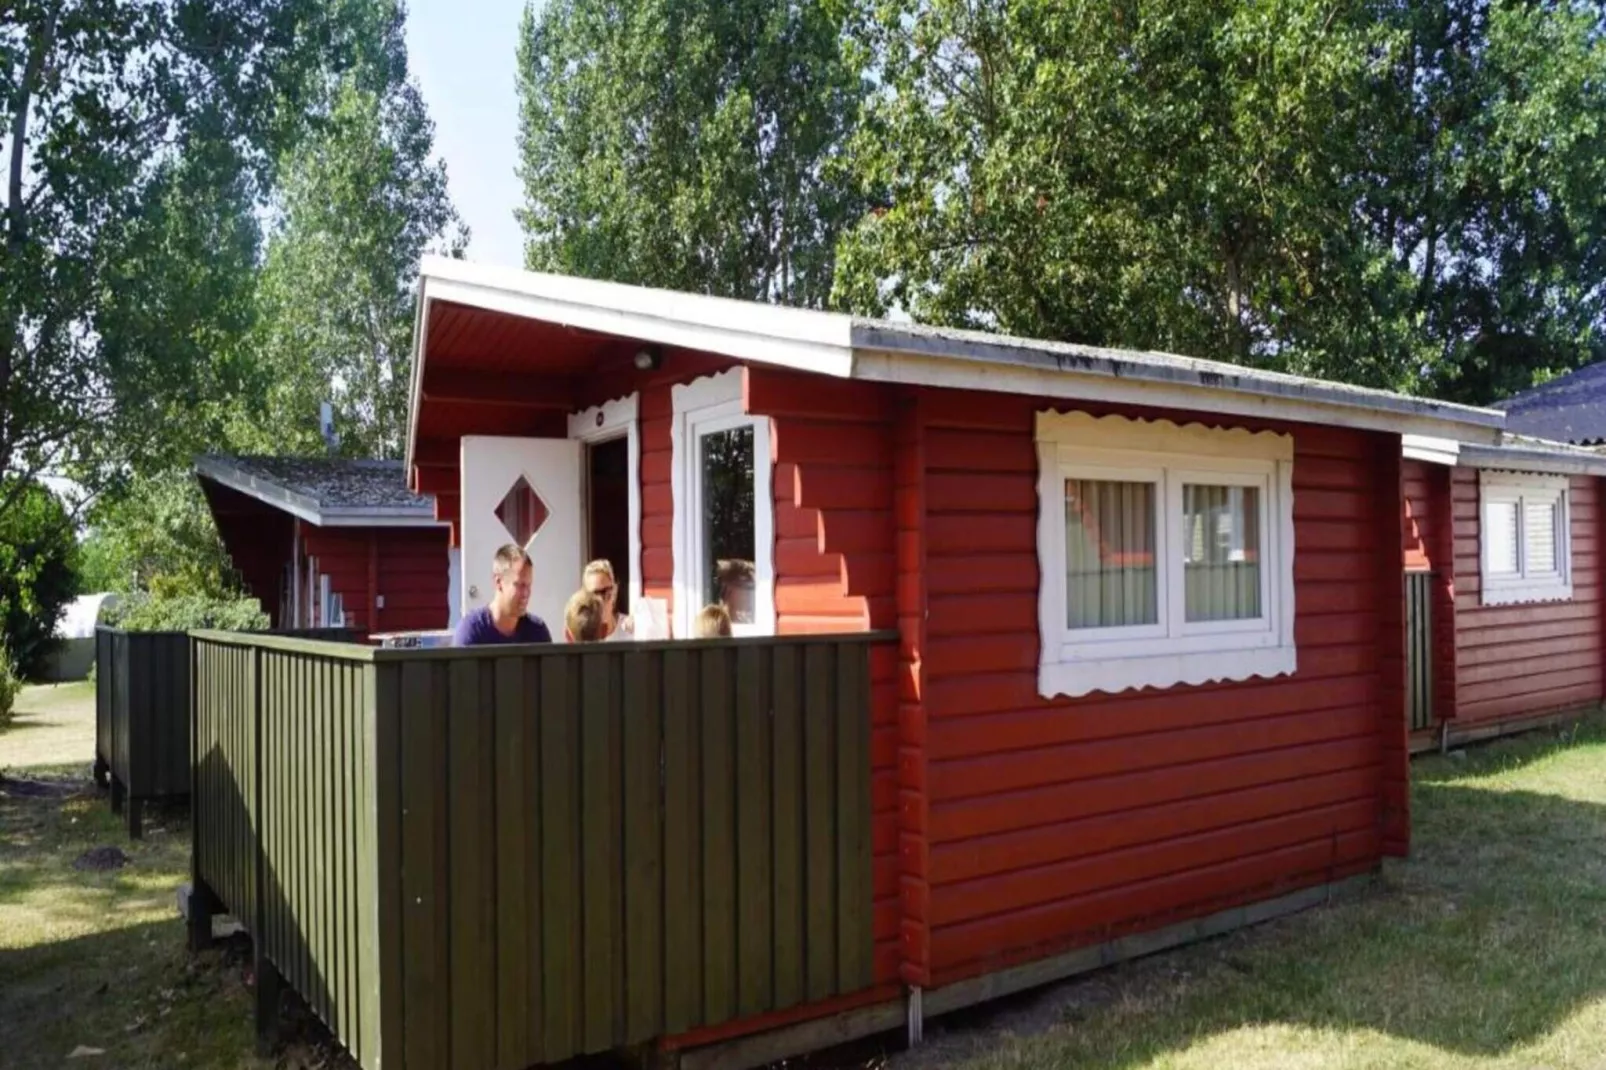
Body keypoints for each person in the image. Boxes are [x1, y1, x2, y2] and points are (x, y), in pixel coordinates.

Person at [452, 544, 553, 646]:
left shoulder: (538, 633)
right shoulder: (472, 632)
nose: (526, 593)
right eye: (519, 585)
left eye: (528, 585)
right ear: (498, 582)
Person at [581, 559, 633, 640]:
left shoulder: (631, 631)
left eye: (606, 593)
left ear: (615, 591)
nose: (600, 600)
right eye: (594, 595)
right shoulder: (582, 637)